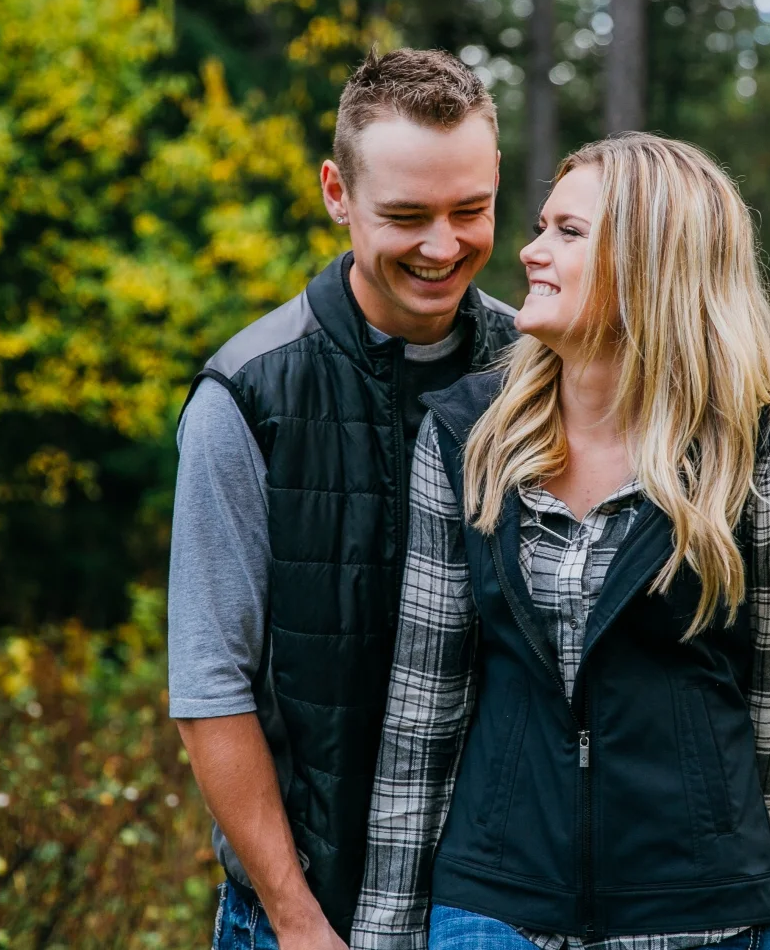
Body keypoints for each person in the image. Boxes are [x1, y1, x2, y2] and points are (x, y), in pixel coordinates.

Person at [352, 133, 770, 950]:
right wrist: (385, 931)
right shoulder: (467, 439)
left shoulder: (759, 450)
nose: (529, 253)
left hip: (691, 922)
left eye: (568, 233)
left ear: (652, 260)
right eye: (541, 226)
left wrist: (709, 868)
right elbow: (423, 707)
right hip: (493, 906)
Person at [166, 48, 520, 950]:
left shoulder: (540, 375)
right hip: (301, 915)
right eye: (406, 216)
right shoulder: (246, 397)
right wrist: (296, 919)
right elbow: (210, 686)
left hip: (504, 914)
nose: (443, 247)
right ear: (336, 192)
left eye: (469, 210)